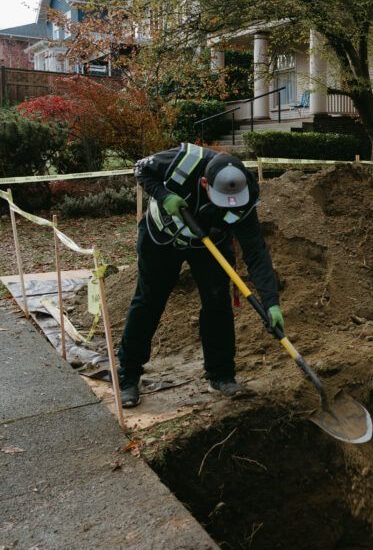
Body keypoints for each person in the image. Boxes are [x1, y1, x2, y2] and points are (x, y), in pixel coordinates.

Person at [117, 143, 283, 408]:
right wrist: (163, 194)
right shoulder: (184, 160)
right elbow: (140, 169)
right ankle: (128, 375)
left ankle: (221, 376)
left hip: (211, 243)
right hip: (162, 237)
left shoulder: (246, 191)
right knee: (150, 300)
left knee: (217, 303)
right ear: (204, 182)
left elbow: (255, 252)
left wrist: (271, 302)